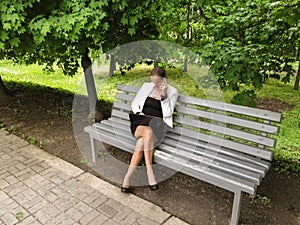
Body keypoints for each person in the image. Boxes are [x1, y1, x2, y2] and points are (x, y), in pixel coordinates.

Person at [121, 67, 178, 193]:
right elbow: (134, 104)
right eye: (153, 81)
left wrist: (163, 95)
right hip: (140, 124)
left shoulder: (172, 91)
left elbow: (168, 114)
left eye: (158, 82)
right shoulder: (146, 86)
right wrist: (139, 112)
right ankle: (149, 172)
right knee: (146, 132)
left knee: (141, 142)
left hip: (157, 127)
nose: (155, 85)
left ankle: (127, 178)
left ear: (164, 80)